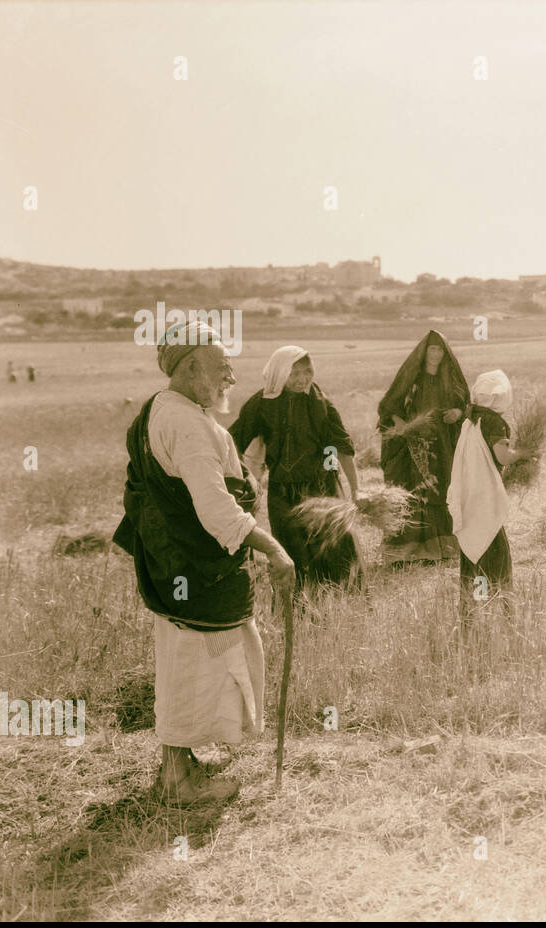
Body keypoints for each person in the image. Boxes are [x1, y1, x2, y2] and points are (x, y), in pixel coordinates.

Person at [112, 321, 295, 806]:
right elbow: (216, 511)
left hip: (177, 567)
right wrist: (273, 548)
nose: (230, 377)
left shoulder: (165, 408)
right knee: (194, 666)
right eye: (220, 367)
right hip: (195, 570)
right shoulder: (188, 424)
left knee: (187, 665)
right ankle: (179, 783)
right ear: (190, 367)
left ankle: (182, 765)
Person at [229, 345, 360, 586]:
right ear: (279, 373)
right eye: (294, 373)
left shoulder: (321, 404)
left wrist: (356, 489)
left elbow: (342, 447)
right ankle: (297, 613)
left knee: (335, 551)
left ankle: (342, 609)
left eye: (306, 372)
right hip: (282, 492)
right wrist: (244, 480)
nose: (303, 379)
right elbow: (232, 441)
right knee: (291, 554)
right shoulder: (260, 404)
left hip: (322, 489)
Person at [376, 330, 468, 564]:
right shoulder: (411, 379)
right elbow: (388, 406)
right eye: (432, 349)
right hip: (411, 447)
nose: (436, 354)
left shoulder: (451, 380)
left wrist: (457, 413)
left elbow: (465, 405)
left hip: (442, 446)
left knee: (439, 490)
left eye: (440, 349)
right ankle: (406, 553)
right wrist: (403, 426)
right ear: (424, 351)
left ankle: (440, 549)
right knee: (413, 491)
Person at [448, 370, 533, 617]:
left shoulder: (471, 419)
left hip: (470, 497)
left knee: (473, 551)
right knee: (493, 551)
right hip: (484, 498)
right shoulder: (494, 421)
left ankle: (472, 610)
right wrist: (524, 454)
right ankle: (499, 609)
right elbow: (503, 456)